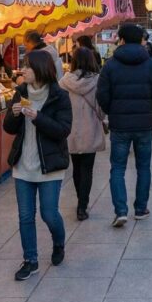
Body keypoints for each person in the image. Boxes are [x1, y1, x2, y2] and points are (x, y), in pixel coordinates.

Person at [4, 50, 73, 280]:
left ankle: (59, 242)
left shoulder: (59, 96)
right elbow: (9, 128)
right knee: (25, 216)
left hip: (49, 165)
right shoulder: (20, 92)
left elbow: (63, 130)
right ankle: (30, 260)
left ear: (41, 69)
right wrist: (14, 115)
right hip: (23, 164)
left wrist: (37, 117)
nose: (24, 70)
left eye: (28, 66)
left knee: (49, 213)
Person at [97, 24, 152, 227]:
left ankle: (120, 210)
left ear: (122, 40)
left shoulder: (110, 65)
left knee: (117, 167)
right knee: (143, 166)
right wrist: (150, 112)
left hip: (119, 124)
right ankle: (140, 208)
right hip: (144, 124)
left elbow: (102, 94)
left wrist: (112, 111)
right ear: (141, 40)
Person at [59, 48, 106, 222]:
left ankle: (80, 200)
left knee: (76, 168)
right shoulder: (97, 81)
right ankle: (82, 205)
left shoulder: (64, 81)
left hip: (70, 130)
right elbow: (101, 109)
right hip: (90, 129)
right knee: (87, 168)